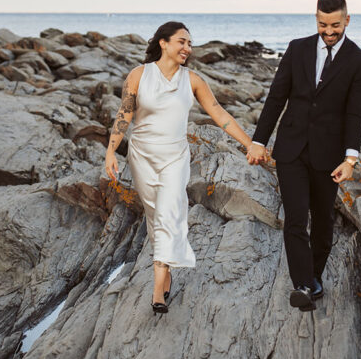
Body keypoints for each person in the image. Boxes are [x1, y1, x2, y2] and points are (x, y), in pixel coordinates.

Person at [104, 21, 254, 315]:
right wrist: (111, 151)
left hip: (175, 155)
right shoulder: (138, 75)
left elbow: (219, 114)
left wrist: (249, 144)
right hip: (142, 154)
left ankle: (159, 283)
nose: (187, 48)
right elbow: (124, 113)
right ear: (163, 43)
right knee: (154, 213)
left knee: (170, 210)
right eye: (181, 42)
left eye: (190, 44)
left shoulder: (193, 80)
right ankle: (167, 267)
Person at [246, 0, 361, 311]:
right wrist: (259, 140)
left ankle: (314, 277)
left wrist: (350, 158)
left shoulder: (358, 59)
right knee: (297, 219)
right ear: (316, 19)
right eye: (322, 24)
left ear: (347, 20)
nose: (328, 31)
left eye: (335, 25)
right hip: (291, 148)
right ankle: (302, 284)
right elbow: (276, 97)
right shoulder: (297, 48)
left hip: (328, 153)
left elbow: (355, 113)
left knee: (324, 220)